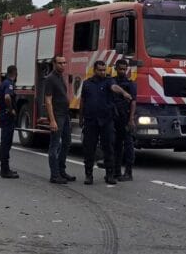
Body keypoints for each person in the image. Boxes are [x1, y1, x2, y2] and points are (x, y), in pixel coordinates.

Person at [78, 60, 132, 185]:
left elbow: (114, 87)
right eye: (100, 70)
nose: (103, 72)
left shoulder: (109, 81)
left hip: (106, 120)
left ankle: (109, 175)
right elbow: (83, 101)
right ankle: (88, 175)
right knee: (89, 149)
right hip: (91, 121)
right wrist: (81, 118)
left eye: (104, 70)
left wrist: (123, 93)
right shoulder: (87, 84)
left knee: (108, 148)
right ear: (94, 70)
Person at [43, 55, 75, 184]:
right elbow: (48, 100)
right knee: (55, 145)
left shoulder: (60, 77)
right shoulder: (50, 79)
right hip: (57, 115)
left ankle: (62, 170)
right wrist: (52, 120)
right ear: (54, 64)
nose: (63, 65)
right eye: (60, 63)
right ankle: (54, 175)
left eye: (64, 62)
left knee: (67, 142)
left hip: (65, 114)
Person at [111, 58, 137, 181]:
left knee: (128, 146)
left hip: (125, 117)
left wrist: (131, 119)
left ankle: (128, 172)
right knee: (116, 145)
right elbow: (112, 87)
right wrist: (123, 93)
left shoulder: (130, 84)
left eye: (124, 69)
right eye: (120, 69)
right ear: (116, 69)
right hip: (114, 118)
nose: (122, 71)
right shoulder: (112, 81)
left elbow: (133, 103)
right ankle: (116, 171)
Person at [0, 65, 19, 178]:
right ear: (15, 73)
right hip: (7, 116)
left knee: (6, 142)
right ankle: (4, 170)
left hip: (4, 115)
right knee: (6, 142)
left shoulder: (4, 83)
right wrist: (11, 110)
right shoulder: (9, 83)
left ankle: (6, 168)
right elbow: (7, 97)